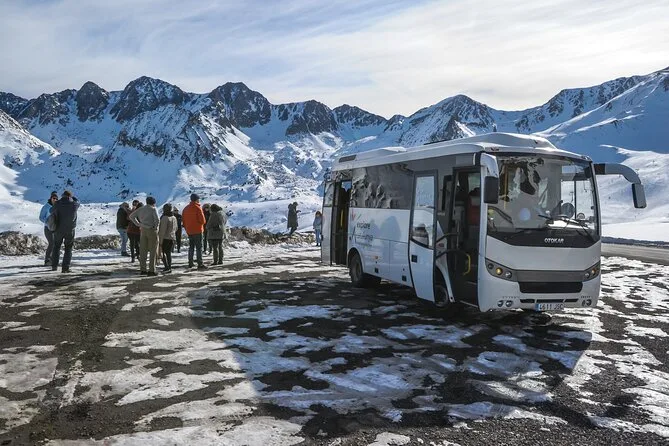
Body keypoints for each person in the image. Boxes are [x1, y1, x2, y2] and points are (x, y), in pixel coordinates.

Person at [50, 190, 80, 273]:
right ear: (70, 196)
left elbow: (50, 211)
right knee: (68, 248)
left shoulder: (57, 204)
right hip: (70, 230)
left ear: (62, 196)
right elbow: (78, 200)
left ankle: (54, 266)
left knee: (56, 247)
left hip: (58, 229)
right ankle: (65, 268)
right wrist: (72, 197)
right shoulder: (74, 204)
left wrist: (58, 201)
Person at [129, 196, 160, 276]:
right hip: (151, 230)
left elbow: (131, 216)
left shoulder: (141, 209)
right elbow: (157, 219)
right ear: (153, 203)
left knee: (143, 250)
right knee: (153, 251)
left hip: (143, 230)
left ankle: (143, 269)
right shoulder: (153, 209)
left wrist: (138, 224)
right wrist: (156, 227)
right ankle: (152, 270)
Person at [182, 193, 207, 269]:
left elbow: (184, 221)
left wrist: (187, 228)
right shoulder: (198, 208)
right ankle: (200, 263)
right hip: (198, 230)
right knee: (199, 248)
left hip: (189, 231)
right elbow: (203, 221)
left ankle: (190, 262)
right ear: (197, 200)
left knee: (191, 247)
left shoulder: (185, 209)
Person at [39, 191, 59, 266]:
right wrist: (48, 222)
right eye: (53, 198)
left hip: (55, 228)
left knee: (55, 244)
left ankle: (52, 259)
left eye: (56, 199)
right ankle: (47, 260)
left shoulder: (57, 206)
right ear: (51, 198)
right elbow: (41, 217)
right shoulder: (46, 207)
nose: (55, 200)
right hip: (47, 228)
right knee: (51, 243)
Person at [158, 203, 177, 273]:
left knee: (163, 252)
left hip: (165, 237)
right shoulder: (174, 217)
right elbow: (176, 228)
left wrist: (160, 241)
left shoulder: (165, 218)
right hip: (172, 237)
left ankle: (166, 266)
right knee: (168, 253)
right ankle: (169, 266)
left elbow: (162, 230)